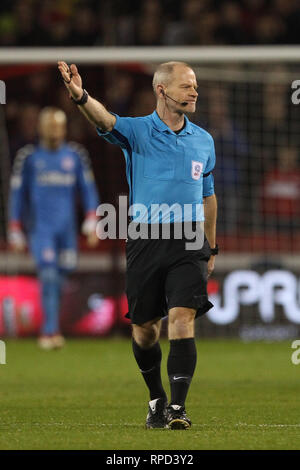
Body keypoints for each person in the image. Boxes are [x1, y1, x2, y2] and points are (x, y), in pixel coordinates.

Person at [57, 60, 218, 429]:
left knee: (181, 317)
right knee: (146, 329)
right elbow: (104, 120)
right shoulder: (137, 131)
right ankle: (156, 399)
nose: (194, 91)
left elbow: (209, 196)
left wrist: (212, 245)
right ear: (161, 90)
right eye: (186, 85)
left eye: (195, 85)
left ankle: (178, 409)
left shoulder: (204, 140)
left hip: (190, 240)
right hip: (146, 239)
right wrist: (80, 95)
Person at [8, 107, 100, 350]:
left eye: (58, 125)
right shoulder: (28, 157)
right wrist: (15, 228)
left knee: (62, 274)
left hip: (66, 230)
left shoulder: (75, 155)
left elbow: (88, 189)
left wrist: (92, 219)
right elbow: (17, 194)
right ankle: (49, 331)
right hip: (41, 229)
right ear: (40, 128)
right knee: (48, 274)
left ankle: (51, 326)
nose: (54, 130)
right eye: (49, 125)